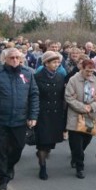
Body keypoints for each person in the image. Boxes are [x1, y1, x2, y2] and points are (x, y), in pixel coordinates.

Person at [0, 48, 39, 190]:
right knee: (0, 150)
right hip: (1, 120)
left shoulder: (27, 74)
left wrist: (33, 116)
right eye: (11, 57)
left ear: (21, 59)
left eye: (17, 57)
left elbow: (34, 95)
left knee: (18, 147)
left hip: (20, 120)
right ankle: (2, 179)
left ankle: (10, 165)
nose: (14, 60)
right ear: (4, 59)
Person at [65, 58, 96, 178]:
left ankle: (76, 156)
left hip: (89, 116)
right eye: (87, 71)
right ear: (82, 68)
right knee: (76, 142)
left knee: (86, 140)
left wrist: (91, 107)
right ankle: (79, 167)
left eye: (92, 71)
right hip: (75, 115)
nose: (89, 74)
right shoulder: (73, 80)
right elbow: (69, 97)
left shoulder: (95, 81)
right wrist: (83, 107)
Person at [33, 51, 67, 180]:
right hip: (42, 113)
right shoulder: (37, 76)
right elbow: (34, 95)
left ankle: (43, 154)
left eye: (58, 62)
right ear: (46, 63)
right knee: (43, 142)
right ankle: (42, 167)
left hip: (56, 113)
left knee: (51, 142)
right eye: (54, 62)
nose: (57, 64)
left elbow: (62, 95)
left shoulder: (60, 77)